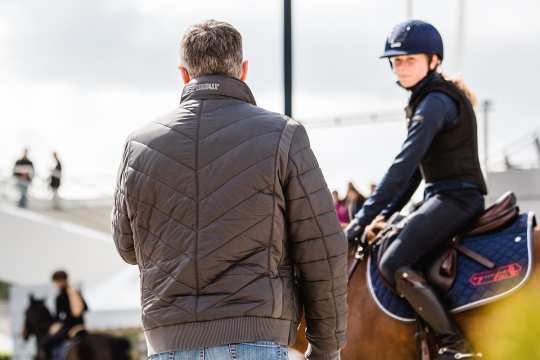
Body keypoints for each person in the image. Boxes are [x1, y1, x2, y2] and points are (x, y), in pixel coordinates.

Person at [112, 20, 347, 360]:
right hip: (255, 337)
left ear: (183, 73)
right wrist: (326, 346)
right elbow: (323, 247)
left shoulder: (138, 146)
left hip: (168, 342)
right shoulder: (283, 135)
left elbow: (126, 246)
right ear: (243, 70)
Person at [345, 20, 487, 359]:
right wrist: (384, 215)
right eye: (397, 61)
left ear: (433, 60)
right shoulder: (425, 100)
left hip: (456, 198)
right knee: (391, 242)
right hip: (441, 196)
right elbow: (412, 178)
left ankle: (454, 343)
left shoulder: (435, 102)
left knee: (394, 260)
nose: (402, 66)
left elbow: (403, 166)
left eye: (411, 59)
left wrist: (359, 222)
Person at [43, 270, 88, 359]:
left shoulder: (60, 297)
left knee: (46, 343)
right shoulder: (76, 292)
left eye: (56, 282)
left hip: (69, 328)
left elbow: (59, 318)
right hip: (82, 326)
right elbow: (85, 308)